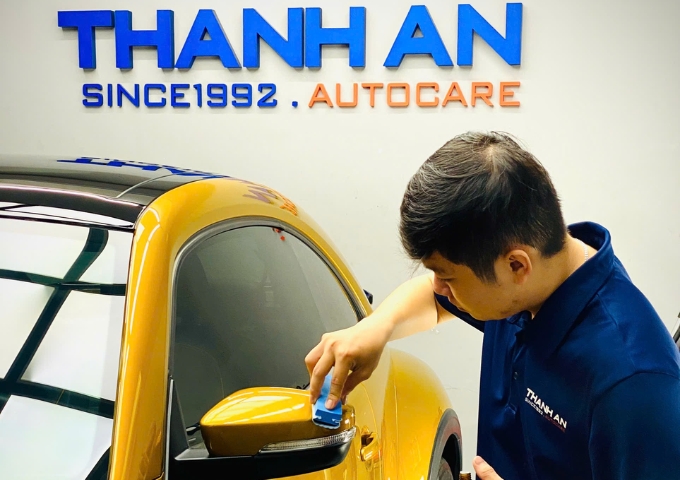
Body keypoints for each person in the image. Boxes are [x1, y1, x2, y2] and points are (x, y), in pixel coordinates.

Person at [304, 131, 680, 479]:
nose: (438, 288)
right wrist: (376, 327)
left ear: (516, 265)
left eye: (448, 277)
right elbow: (433, 301)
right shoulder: (531, 286)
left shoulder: (633, 382)